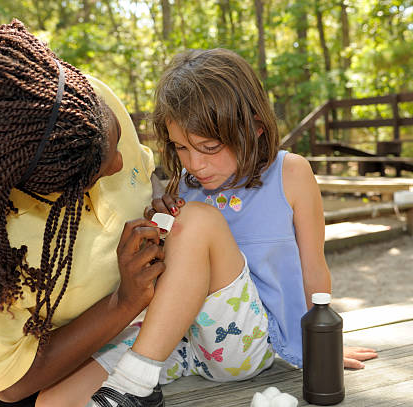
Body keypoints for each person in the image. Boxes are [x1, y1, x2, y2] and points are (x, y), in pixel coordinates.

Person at [36, 48, 377, 407]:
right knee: (54, 399)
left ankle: (134, 384)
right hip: (177, 341)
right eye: (181, 148)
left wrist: (322, 348)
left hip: (248, 343)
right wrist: (162, 226)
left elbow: (314, 267)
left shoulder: (290, 173)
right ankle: (137, 380)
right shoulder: (185, 185)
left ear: (256, 128)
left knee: (199, 219)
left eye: (209, 147)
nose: (195, 164)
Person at [0, 19, 168, 406]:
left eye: (113, 142)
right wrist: (124, 303)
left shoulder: (85, 108)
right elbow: (11, 383)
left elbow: (143, 169)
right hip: (25, 384)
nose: (117, 164)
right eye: (95, 170)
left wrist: (160, 192)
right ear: (37, 184)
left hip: (115, 348)